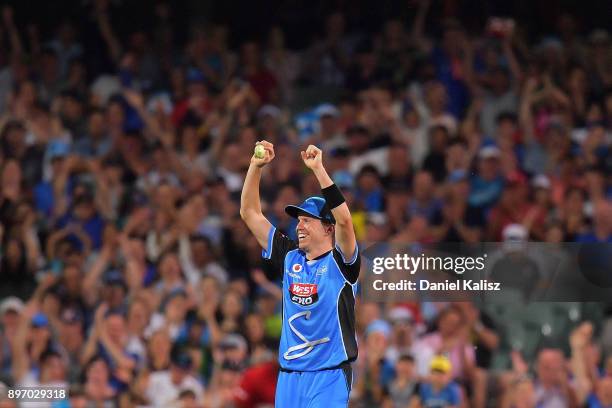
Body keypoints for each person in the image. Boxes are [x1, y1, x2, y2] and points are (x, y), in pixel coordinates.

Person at [240, 141, 360, 407]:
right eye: (299, 221)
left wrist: (318, 169)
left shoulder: (342, 263)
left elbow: (345, 220)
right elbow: (249, 213)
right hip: (289, 377)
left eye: (308, 220)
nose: (299, 226)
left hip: (329, 375)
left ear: (328, 229)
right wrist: (255, 166)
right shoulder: (289, 257)